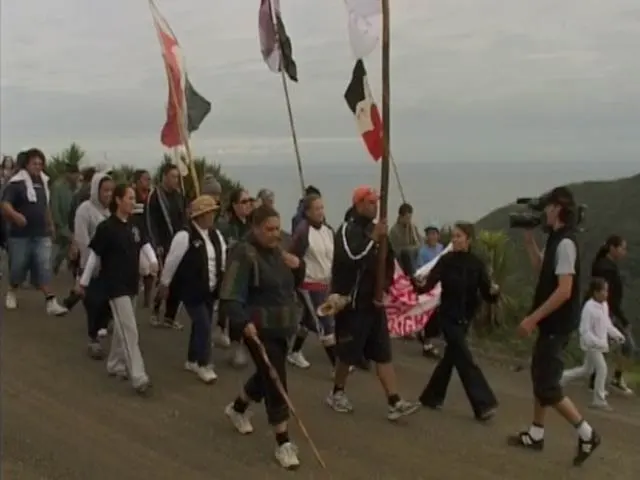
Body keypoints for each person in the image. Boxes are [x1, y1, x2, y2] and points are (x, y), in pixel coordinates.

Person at [507, 186, 600, 467]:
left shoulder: (567, 243)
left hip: (557, 325)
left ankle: (587, 433)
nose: (543, 212)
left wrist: (532, 318)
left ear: (558, 209)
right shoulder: (557, 240)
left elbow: (564, 290)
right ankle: (536, 433)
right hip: (552, 324)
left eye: (547, 207)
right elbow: (542, 267)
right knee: (540, 375)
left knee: (547, 384)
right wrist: (529, 242)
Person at [221, 205, 306, 470]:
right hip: (257, 328)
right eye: (268, 229)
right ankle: (283, 442)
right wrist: (242, 321)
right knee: (276, 378)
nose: (274, 234)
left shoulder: (280, 252)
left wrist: (298, 266)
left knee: (267, 372)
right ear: (255, 228)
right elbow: (230, 294)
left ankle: (237, 407)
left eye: (277, 228)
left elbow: (292, 284)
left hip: (282, 327)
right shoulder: (243, 253)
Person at [326, 185, 419, 420]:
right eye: (370, 202)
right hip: (351, 303)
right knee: (347, 353)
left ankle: (394, 400)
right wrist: (373, 238)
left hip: (374, 303)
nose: (375, 206)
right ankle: (337, 392)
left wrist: (387, 287)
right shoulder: (347, 230)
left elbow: (388, 260)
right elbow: (352, 257)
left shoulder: (376, 231)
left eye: (376, 202)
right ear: (358, 204)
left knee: (383, 353)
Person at [77, 184, 158, 395]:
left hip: (132, 283)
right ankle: (138, 376)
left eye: (133, 198)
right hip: (114, 286)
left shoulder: (135, 224)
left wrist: (153, 261)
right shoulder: (106, 228)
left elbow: (144, 244)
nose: (133, 202)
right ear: (118, 200)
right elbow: (94, 255)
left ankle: (114, 364)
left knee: (123, 327)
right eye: (129, 198)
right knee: (130, 330)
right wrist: (83, 282)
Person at [413, 222, 499, 421]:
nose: (455, 239)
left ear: (469, 239)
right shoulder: (446, 261)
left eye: (459, 236)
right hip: (448, 317)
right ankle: (483, 404)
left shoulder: (477, 264)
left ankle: (431, 397)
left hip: (465, 318)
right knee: (465, 359)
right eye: (453, 236)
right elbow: (428, 285)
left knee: (451, 357)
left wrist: (495, 293)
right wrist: (415, 285)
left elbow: (487, 292)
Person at [158, 195, 227, 384]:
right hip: (190, 289)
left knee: (201, 324)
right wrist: (165, 283)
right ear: (199, 216)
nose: (212, 217)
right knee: (204, 325)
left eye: (213, 213)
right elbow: (172, 261)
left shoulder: (216, 235)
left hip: (210, 288)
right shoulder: (185, 236)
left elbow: (222, 258)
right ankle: (204, 364)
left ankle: (191, 360)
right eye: (208, 213)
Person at [1, 148, 68, 315]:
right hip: (20, 235)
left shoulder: (43, 183)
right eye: (34, 163)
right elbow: (5, 205)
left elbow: (45, 207)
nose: (38, 167)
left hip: (41, 233)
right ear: (27, 164)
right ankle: (12, 290)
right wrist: (16, 216)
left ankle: (51, 301)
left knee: (43, 265)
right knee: (18, 266)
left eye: (40, 163)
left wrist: (51, 224)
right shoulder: (16, 183)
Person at [287, 194, 337, 371]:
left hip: (325, 283)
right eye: (316, 209)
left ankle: (294, 351)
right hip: (308, 284)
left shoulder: (328, 231)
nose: (320, 212)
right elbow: (292, 256)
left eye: (322, 208)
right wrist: (297, 280)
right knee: (325, 322)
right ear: (307, 212)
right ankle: (337, 364)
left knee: (309, 319)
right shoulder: (303, 231)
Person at [560, 278, 625, 410]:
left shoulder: (604, 306)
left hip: (599, 344)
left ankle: (559, 379)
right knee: (602, 368)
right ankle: (598, 400)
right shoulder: (588, 308)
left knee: (586, 370)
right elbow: (584, 330)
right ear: (595, 292)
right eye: (604, 291)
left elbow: (607, 324)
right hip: (591, 345)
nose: (606, 294)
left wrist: (617, 335)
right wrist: (597, 343)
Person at [73, 172, 115, 359]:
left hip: (111, 266)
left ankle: (103, 327)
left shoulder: (112, 212)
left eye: (111, 191)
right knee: (94, 303)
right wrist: (91, 262)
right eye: (105, 190)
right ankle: (93, 340)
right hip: (91, 266)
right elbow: (82, 239)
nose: (108, 194)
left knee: (109, 302)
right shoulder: (85, 210)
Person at [590, 235, 634, 395]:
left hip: (607, 312)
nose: (624, 252)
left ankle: (597, 379)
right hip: (608, 313)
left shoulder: (606, 266)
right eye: (622, 248)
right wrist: (623, 319)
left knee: (603, 346)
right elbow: (609, 297)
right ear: (612, 248)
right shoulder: (606, 268)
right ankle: (610, 379)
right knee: (626, 345)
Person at [215, 188, 254, 366]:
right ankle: (233, 343)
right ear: (235, 205)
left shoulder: (252, 225)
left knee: (248, 310)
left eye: (250, 201)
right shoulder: (226, 227)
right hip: (231, 274)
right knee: (234, 309)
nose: (248, 205)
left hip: (250, 275)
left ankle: (241, 346)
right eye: (244, 202)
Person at [147, 163, 187, 329]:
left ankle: (170, 316)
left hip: (178, 243)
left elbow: (183, 218)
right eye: (173, 176)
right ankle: (155, 310)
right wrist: (155, 245)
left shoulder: (179, 195)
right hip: (162, 244)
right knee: (163, 280)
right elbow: (151, 223)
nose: (176, 180)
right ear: (164, 177)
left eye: (177, 177)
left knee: (178, 280)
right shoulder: (155, 196)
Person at [416, 224, 445, 358]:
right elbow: (421, 270)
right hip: (428, 286)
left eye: (434, 233)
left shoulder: (441, 249)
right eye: (429, 234)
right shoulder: (422, 252)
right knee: (430, 315)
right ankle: (427, 344)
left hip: (441, 285)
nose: (432, 236)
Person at [50, 163, 80, 275]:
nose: (76, 177)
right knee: (69, 242)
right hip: (62, 222)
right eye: (75, 174)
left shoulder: (75, 187)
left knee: (66, 245)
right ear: (68, 174)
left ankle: (64, 265)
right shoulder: (57, 186)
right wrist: (57, 222)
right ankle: (56, 265)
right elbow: (54, 206)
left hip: (71, 222)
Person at [132, 169, 154, 307]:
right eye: (146, 179)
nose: (149, 182)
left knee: (150, 270)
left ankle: (147, 299)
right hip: (134, 237)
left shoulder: (151, 196)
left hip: (147, 236)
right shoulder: (132, 196)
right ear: (138, 181)